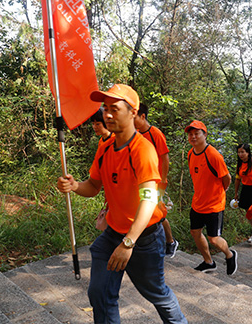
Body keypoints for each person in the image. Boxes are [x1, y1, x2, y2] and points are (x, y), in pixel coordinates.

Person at [56, 84, 186, 324]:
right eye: (105, 109)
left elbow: (149, 201)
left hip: (143, 239)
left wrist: (128, 243)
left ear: (132, 113)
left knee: (156, 294)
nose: (107, 114)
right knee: (100, 293)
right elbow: (93, 187)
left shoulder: (143, 150)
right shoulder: (105, 148)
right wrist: (75, 186)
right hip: (113, 233)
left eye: (114, 109)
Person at [185, 120, 238, 275]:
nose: (193, 137)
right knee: (195, 232)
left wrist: (223, 189)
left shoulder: (213, 155)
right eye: (190, 134)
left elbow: (226, 177)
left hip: (214, 205)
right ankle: (209, 262)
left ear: (205, 134)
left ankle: (230, 254)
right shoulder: (190, 153)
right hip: (198, 203)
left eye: (196, 133)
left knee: (213, 239)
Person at [135, 103, 178, 257]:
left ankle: (170, 242)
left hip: (156, 182)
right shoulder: (136, 134)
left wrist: (163, 180)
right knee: (145, 213)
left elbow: (165, 158)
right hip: (142, 182)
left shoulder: (155, 134)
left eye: (134, 117)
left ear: (142, 116)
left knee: (159, 214)